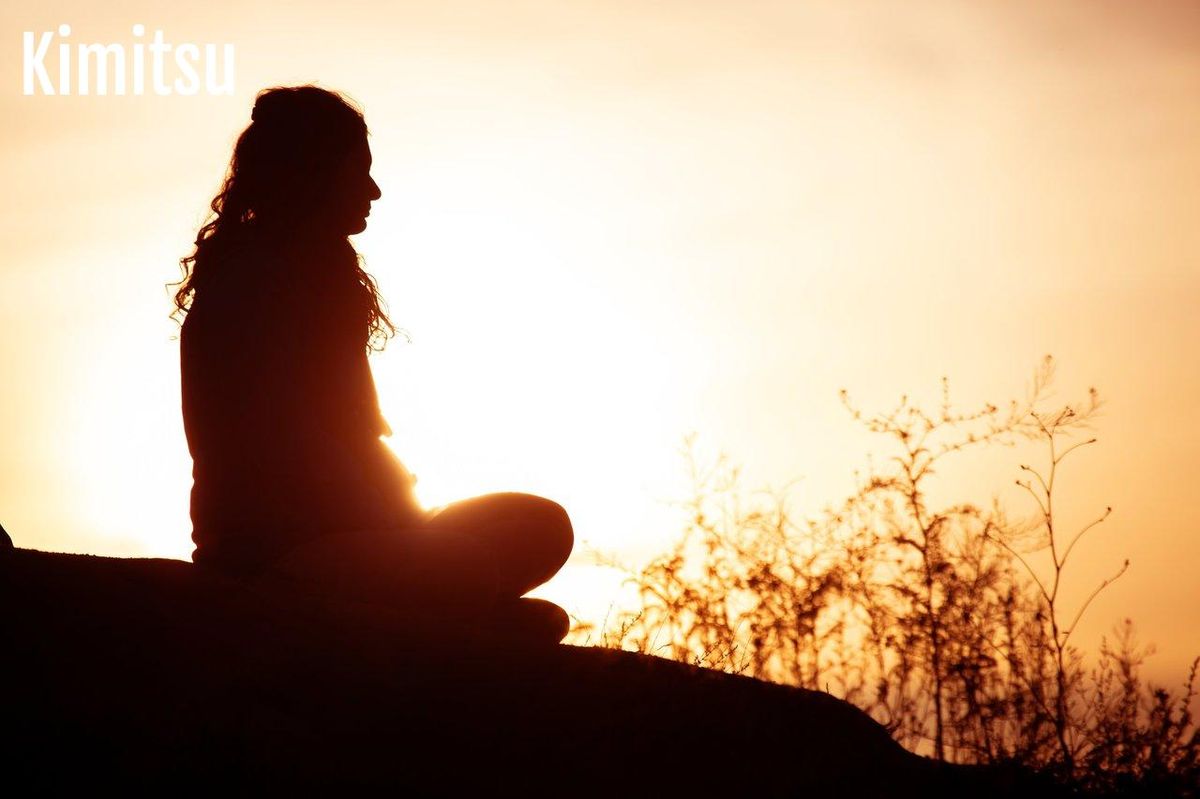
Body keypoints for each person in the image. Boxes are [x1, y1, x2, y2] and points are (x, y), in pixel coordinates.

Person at [171, 85, 573, 643]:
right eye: (357, 173)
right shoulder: (254, 284)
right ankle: (397, 614)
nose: (374, 191)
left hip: (363, 532)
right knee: (471, 567)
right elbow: (286, 453)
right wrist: (393, 518)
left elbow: (356, 440)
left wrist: (399, 512)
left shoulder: (319, 275)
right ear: (312, 173)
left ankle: (447, 609)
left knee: (542, 525)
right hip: (278, 549)